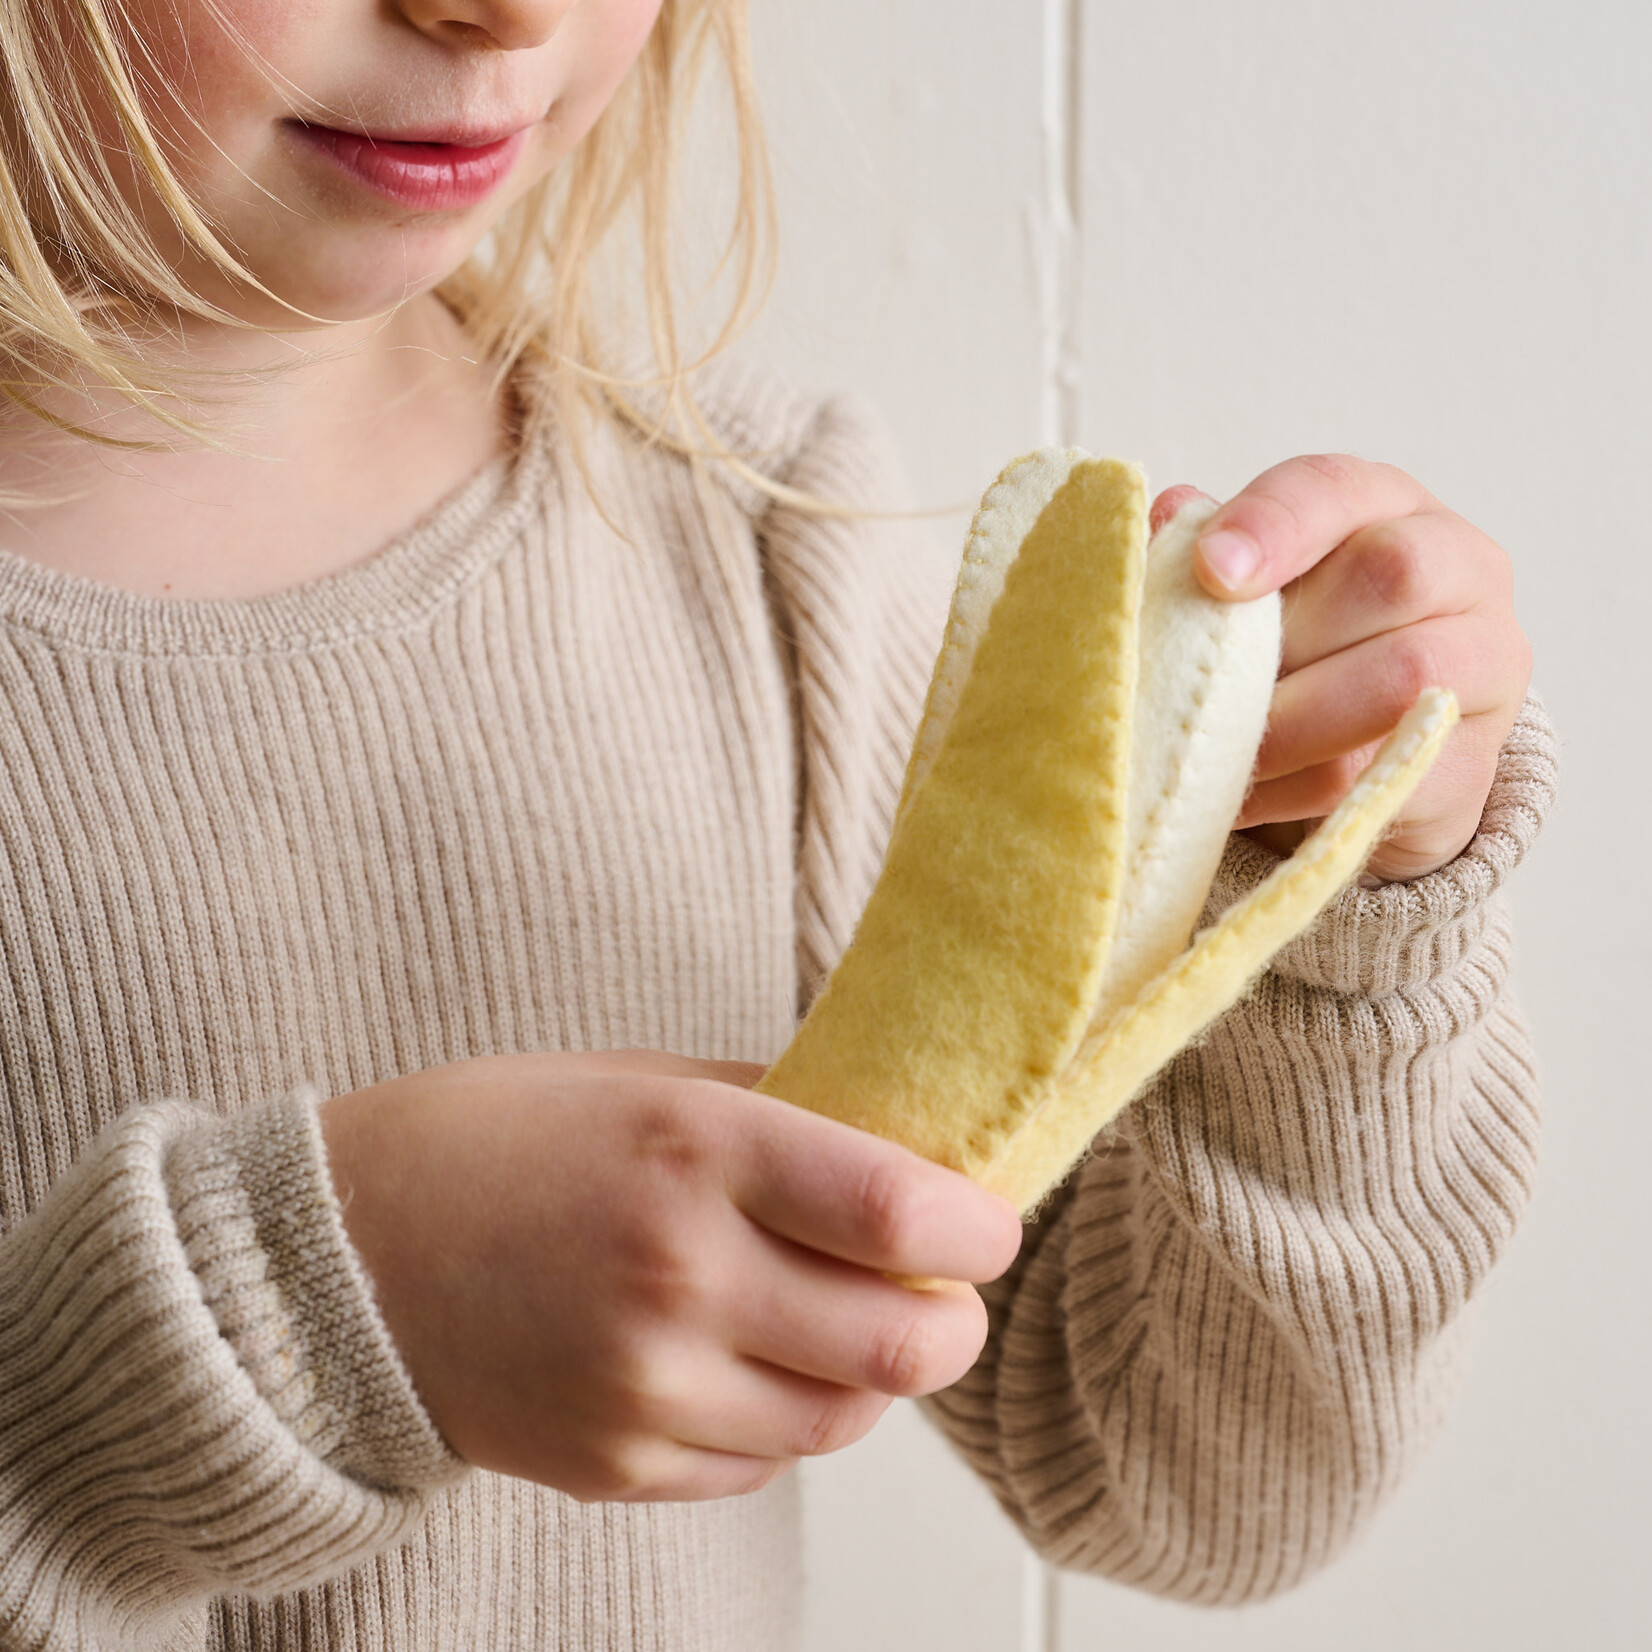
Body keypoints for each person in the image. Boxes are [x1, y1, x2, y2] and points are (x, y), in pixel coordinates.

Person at [0, 2, 1552, 1648]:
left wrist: (1334, 902)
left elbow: (1185, 1482)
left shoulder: (758, 555)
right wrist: (317, 1318)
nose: (506, 12)